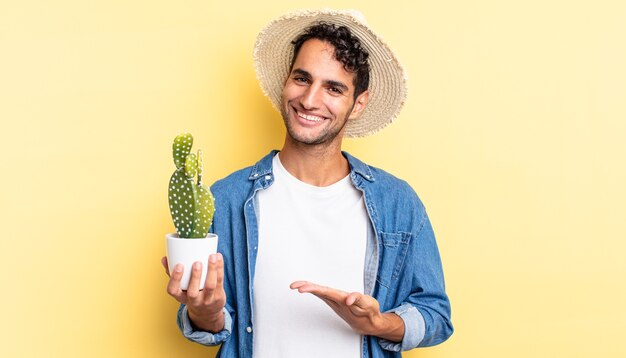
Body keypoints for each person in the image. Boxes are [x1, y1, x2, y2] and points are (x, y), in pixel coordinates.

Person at [162, 8, 453, 357]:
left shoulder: (397, 202)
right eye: (302, 78)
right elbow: (212, 321)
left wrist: (378, 324)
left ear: (358, 104)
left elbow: (436, 315)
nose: (310, 100)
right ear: (286, 81)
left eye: (333, 88)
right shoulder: (227, 198)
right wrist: (204, 312)